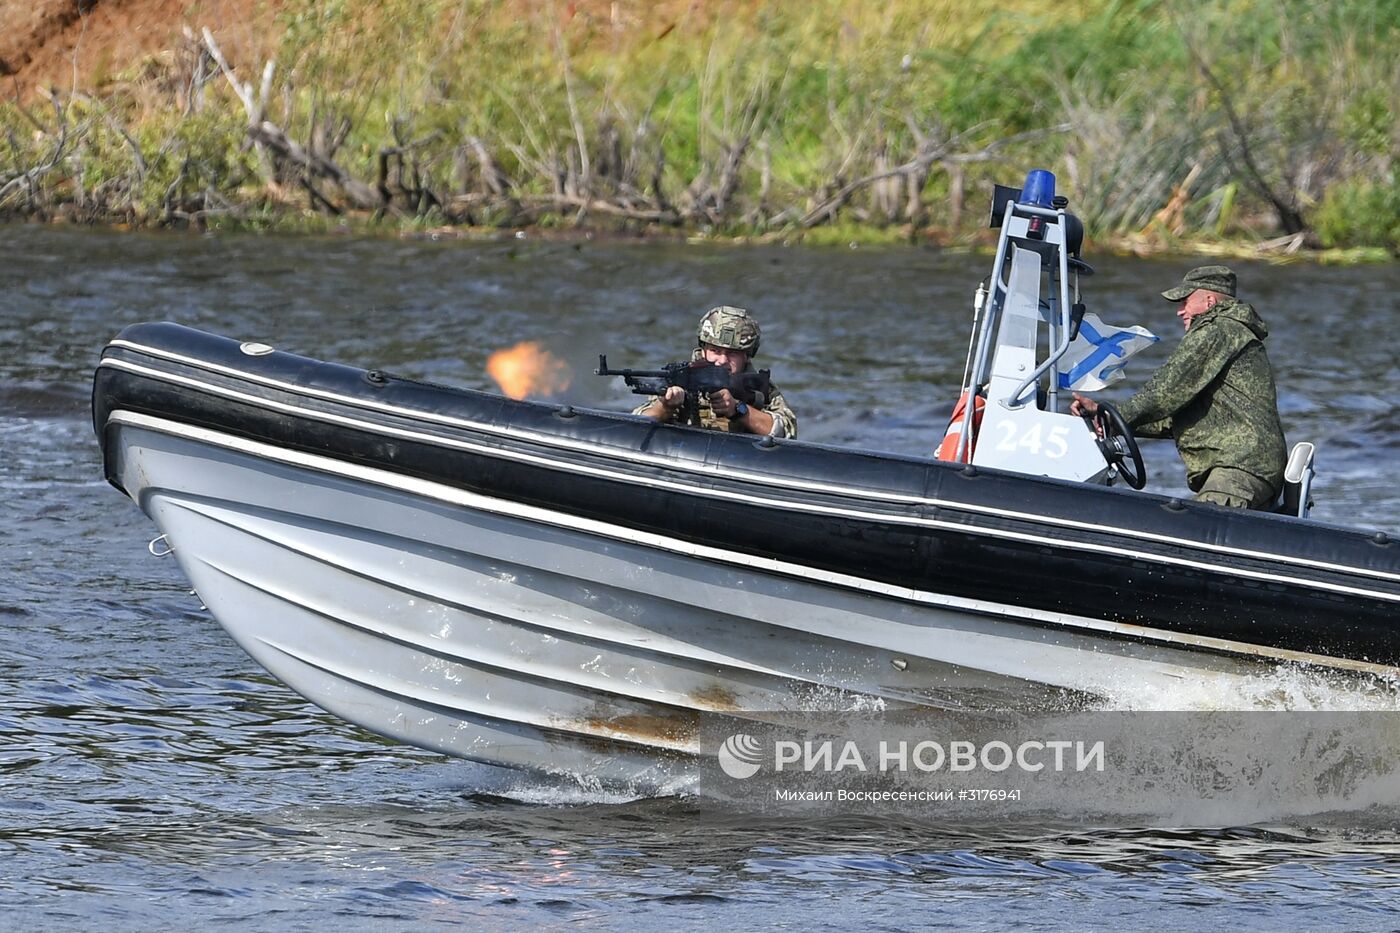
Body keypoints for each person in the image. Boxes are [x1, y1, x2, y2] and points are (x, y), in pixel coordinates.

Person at [1070, 265, 1286, 509]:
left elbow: (1163, 393)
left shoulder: (1217, 330)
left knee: (1199, 533)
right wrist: (1107, 418)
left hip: (1238, 469)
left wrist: (1113, 415)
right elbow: (1175, 417)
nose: (1180, 311)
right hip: (1249, 469)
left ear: (1209, 301)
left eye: (1185, 301)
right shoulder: (1231, 333)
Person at [634, 305, 798, 438]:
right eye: (715, 351)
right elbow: (635, 425)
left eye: (732, 353)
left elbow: (787, 433)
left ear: (747, 356)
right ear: (703, 349)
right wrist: (665, 407)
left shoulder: (758, 387)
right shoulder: (683, 377)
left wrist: (738, 410)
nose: (722, 361)